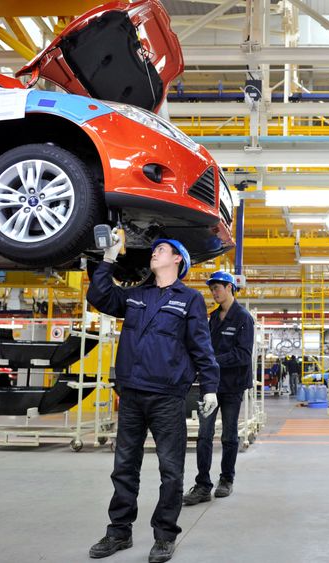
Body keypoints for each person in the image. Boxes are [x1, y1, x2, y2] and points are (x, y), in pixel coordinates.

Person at [87, 233, 220, 563]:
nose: (154, 253)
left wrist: (210, 387)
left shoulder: (189, 299)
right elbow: (100, 296)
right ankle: (119, 531)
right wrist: (107, 259)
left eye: (161, 249)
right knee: (124, 469)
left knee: (171, 471)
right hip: (131, 394)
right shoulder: (135, 296)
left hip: (167, 397)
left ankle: (164, 535)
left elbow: (201, 347)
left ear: (178, 260)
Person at [183, 271, 255, 505]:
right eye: (212, 289)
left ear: (230, 288)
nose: (214, 292)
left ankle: (226, 479)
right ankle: (203, 485)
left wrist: (213, 360)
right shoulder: (212, 319)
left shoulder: (243, 318)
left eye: (218, 288)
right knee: (204, 435)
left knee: (229, 435)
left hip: (233, 386)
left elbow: (243, 355)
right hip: (210, 384)